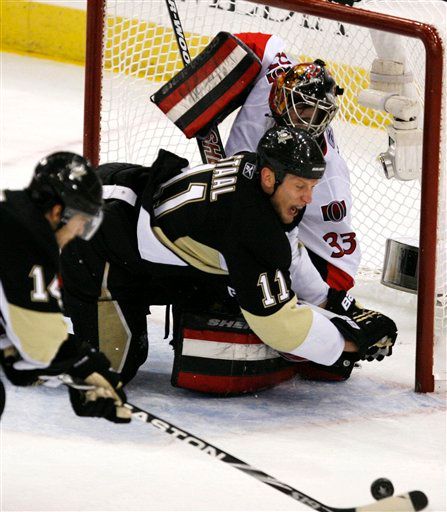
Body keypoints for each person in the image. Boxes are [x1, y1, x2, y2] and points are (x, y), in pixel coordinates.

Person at [60, 127, 397, 391]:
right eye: (300, 186)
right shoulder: (250, 226)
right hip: (95, 239)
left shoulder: (260, 176)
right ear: (269, 178)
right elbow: (279, 326)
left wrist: (336, 303)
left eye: (312, 186)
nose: (308, 198)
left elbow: (289, 255)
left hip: (125, 200)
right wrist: (348, 343)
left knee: (221, 292)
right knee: (112, 367)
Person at [0, 152, 131, 422]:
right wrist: (85, 366)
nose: (77, 235)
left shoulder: (11, 218)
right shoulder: (26, 241)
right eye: (81, 223)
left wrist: (76, 373)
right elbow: (40, 348)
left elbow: (20, 362)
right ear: (59, 212)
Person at [225, 33, 359, 292]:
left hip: (327, 262)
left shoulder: (329, 182)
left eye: (318, 116)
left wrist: (325, 295)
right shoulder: (273, 83)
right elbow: (269, 45)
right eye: (303, 114)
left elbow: (341, 271)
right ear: (281, 99)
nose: (309, 125)